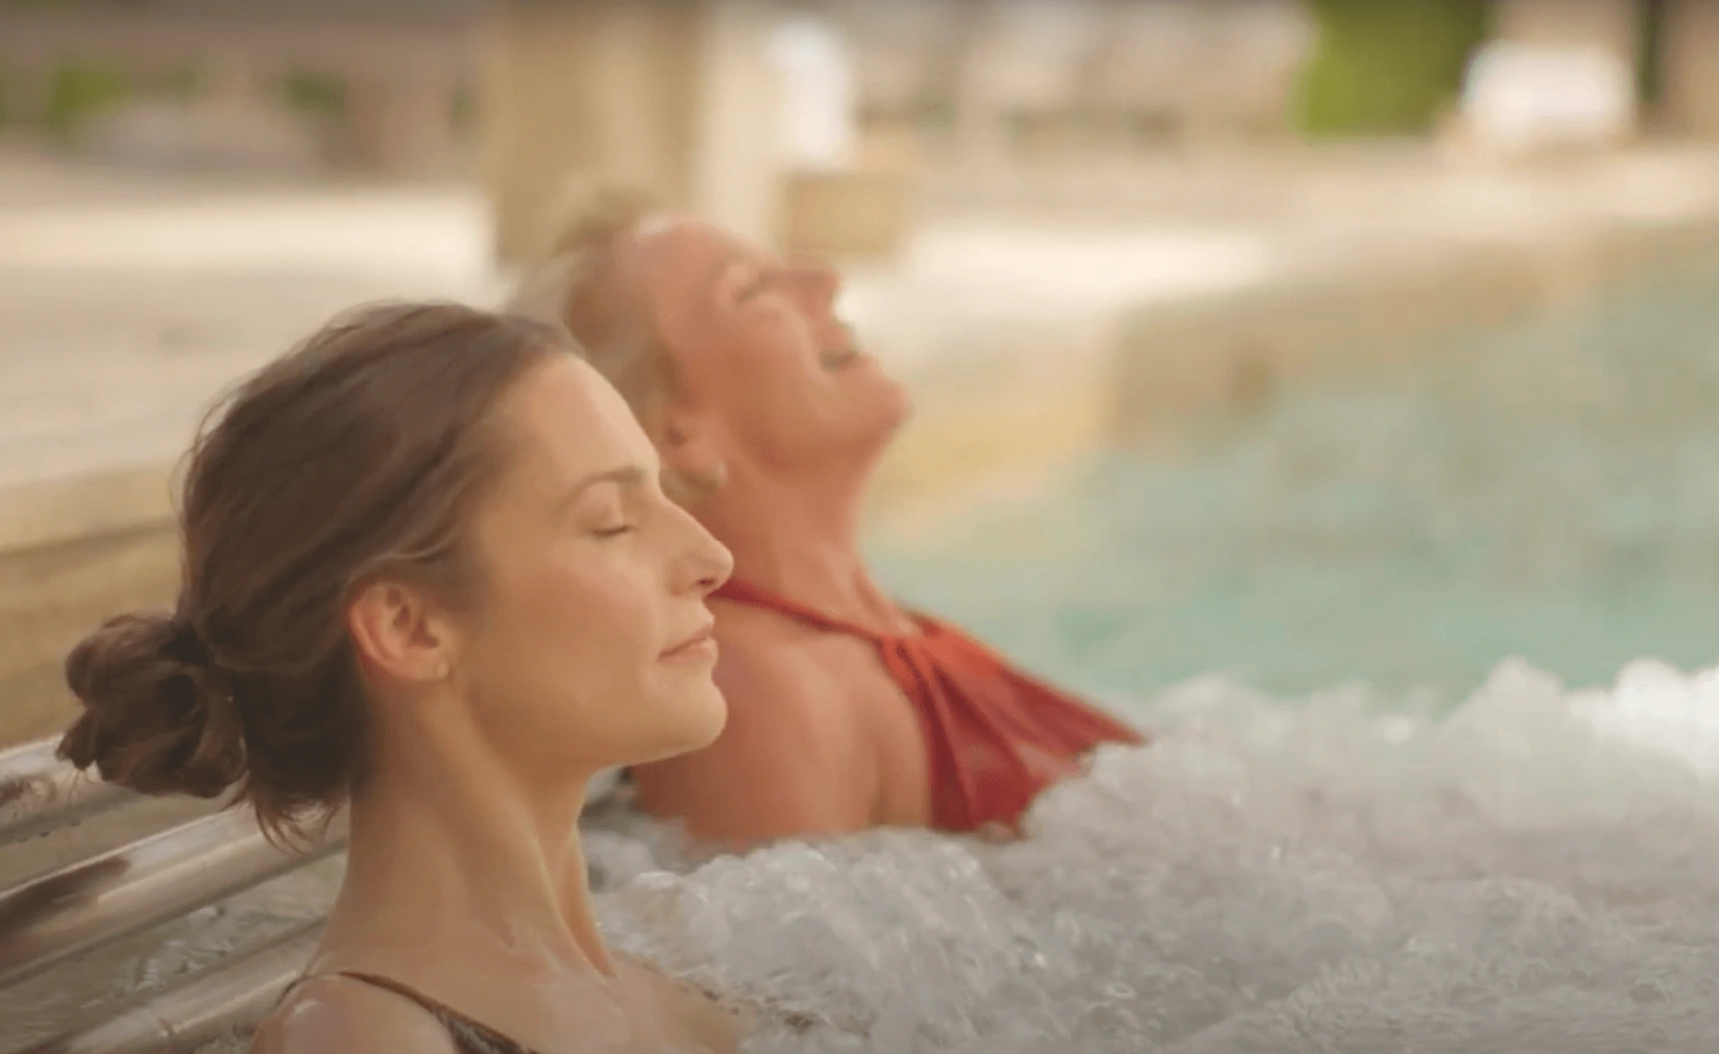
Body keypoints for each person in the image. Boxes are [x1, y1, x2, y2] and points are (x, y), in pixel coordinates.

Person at [56, 302, 748, 1054]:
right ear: (408, 628)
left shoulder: (671, 991)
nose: (712, 557)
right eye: (612, 521)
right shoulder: (362, 1042)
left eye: (665, 495)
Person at [510, 188, 1144, 849]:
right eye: (753, 289)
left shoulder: (864, 638)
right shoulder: (750, 695)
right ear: (677, 433)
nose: (823, 281)